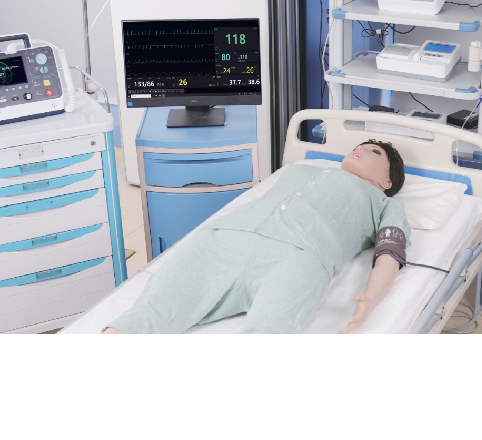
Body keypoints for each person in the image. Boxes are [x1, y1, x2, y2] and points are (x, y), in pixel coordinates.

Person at [103, 139, 410, 334]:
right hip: (223, 240)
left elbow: (389, 256)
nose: (360, 149)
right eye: (359, 145)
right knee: (150, 313)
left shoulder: (386, 205)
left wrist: (371, 298)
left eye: (374, 151)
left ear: (387, 180)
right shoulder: (299, 169)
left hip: (300, 256)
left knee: (269, 332)